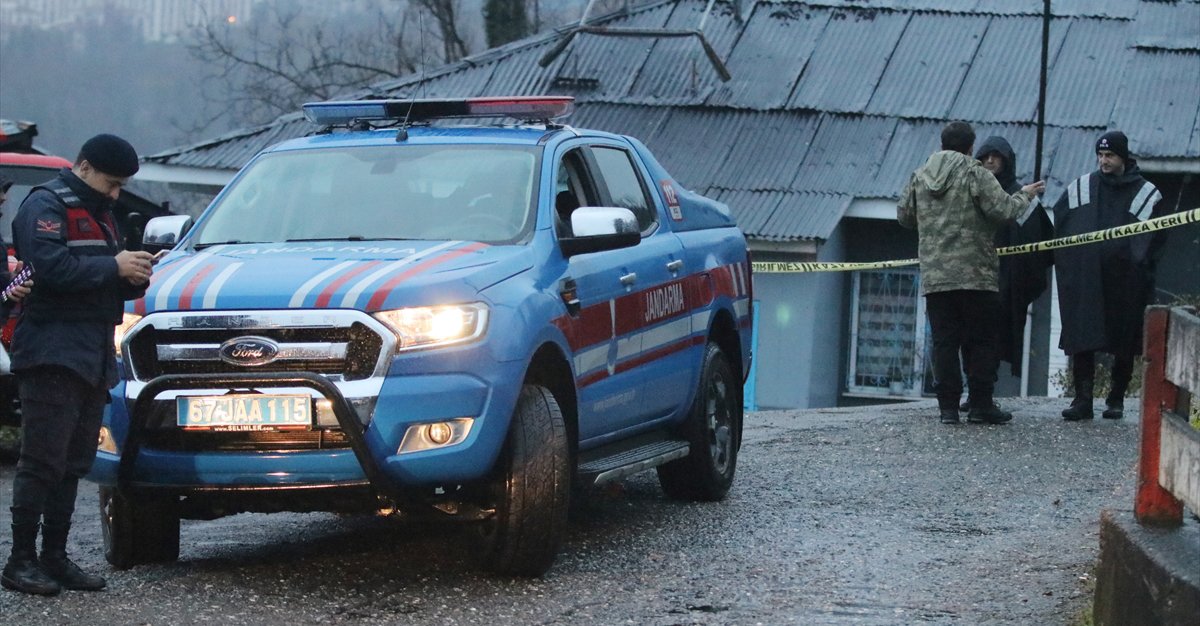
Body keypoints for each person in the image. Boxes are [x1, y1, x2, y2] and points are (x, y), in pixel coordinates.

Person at [2, 134, 155, 595]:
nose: (116, 193)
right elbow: (49, 269)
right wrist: (114, 267)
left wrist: (134, 275)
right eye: (111, 183)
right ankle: (20, 560)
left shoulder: (100, 212)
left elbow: (99, 275)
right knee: (42, 461)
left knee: (73, 462)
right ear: (84, 167)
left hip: (92, 351)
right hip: (52, 350)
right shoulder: (45, 206)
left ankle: (55, 556)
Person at [898, 121, 1044, 425]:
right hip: (976, 275)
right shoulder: (975, 173)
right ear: (970, 147)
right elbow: (1004, 211)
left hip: (936, 277)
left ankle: (948, 409)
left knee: (944, 342)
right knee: (981, 341)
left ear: (942, 145)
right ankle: (980, 405)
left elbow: (904, 217)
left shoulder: (919, 175)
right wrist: (1025, 195)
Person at [1053, 131, 1166, 422]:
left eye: (1110, 156)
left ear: (1123, 157)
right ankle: (1083, 400)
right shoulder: (1082, 187)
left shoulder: (1146, 193)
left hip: (1126, 280)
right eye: (1100, 155)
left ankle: (1116, 398)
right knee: (1083, 332)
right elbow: (1062, 225)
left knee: (1124, 338)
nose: (1104, 161)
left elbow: (1154, 240)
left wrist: (1134, 264)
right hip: (1087, 278)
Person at [957, 137, 1054, 411]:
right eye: (985, 156)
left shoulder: (1021, 198)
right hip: (970, 280)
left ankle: (983, 396)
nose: (990, 161)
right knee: (968, 340)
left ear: (1007, 160)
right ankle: (973, 393)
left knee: (993, 342)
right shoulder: (970, 191)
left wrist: (1016, 281)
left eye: (996, 156)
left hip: (1004, 284)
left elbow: (1040, 245)